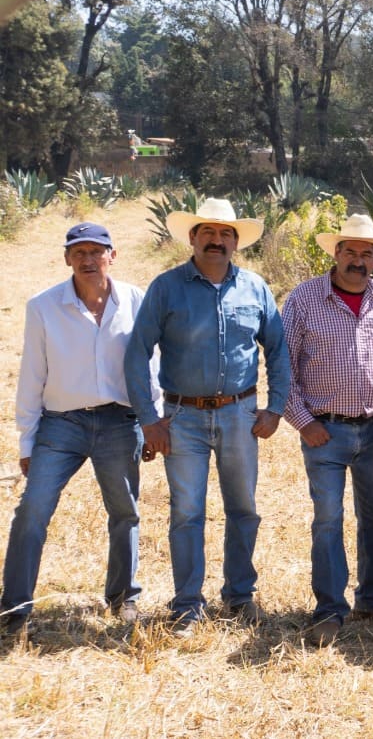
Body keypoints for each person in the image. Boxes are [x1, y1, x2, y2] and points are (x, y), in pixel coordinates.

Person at [125, 198, 288, 633]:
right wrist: (149, 420)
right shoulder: (166, 287)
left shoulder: (256, 288)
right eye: (208, 233)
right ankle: (187, 606)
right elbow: (136, 353)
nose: (217, 241)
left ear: (236, 241)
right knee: (187, 512)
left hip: (240, 415)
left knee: (244, 508)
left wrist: (275, 409)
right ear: (193, 238)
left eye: (225, 234)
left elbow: (278, 349)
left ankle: (239, 596)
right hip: (183, 418)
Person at [3, 223, 155, 637]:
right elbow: (32, 375)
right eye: (79, 252)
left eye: (97, 251)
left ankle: (124, 598)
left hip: (119, 421)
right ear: (66, 258)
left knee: (125, 512)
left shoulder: (136, 301)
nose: (88, 260)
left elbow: (148, 365)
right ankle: (15, 607)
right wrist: (28, 438)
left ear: (113, 254)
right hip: (61, 424)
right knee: (32, 510)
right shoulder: (43, 306)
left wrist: (151, 419)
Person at [280, 214, 373, 647]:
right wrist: (304, 422)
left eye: (367, 253)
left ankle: (372, 600)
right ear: (335, 253)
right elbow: (282, 369)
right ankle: (329, 609)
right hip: (325, 431)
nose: (358, 260)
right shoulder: (303, 299)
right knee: (328, 520)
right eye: (350, 251)